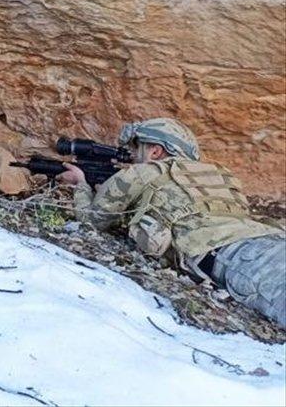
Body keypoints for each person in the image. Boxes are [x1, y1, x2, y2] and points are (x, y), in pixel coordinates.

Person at [59, 118, 285, 328]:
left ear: (155, 151)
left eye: (137, 149)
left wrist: (81, 184)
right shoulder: (217, 174)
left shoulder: (145, 171)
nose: (132, 156)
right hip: (269, 238)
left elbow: (92, 219)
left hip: (233, 254)